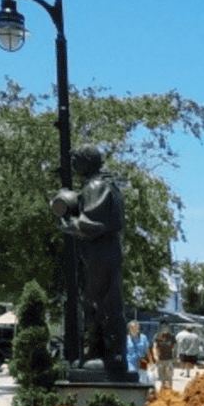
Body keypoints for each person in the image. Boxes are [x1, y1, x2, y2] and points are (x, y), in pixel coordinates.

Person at [63, 145, 128, 377]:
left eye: (76, 160)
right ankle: (108, 354)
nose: (73, 166)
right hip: (105, 251)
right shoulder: (107, 185)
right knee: (105, 300)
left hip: (99, 252)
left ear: (87, 161)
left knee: (100, 302)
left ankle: (106, 354)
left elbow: (91, 224)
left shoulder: (95, 186)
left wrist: (68, 223)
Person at [153, 325, 176, 390]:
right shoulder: (157, 337)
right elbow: (155, 347)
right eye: (163, 327)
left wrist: (175, 358)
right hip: (160, 359)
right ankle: (163, 389)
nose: (165, 329)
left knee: (169, 376)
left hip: (169, 359)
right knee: (161, 376)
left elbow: (175, 348)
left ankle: (170, 390)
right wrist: (156, 357)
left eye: (166, 327)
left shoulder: (172, 337)